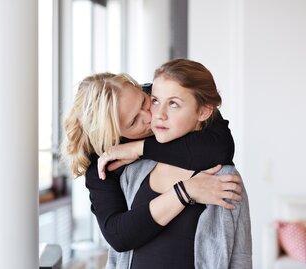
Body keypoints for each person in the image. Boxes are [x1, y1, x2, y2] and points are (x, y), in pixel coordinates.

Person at [61, 71, 242, 257]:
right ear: (115, 136)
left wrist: (139, 148)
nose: (150, 116)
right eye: (133, 122)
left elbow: (220, 149)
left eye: (144, 102)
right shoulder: (103, 160)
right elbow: (118, 235)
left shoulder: (168, 94)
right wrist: (184, 192)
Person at [98, 59, 252, 268]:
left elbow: (240, 257)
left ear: (203, 111)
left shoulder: (224, 178)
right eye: (155, 100)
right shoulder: (132, 171)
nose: (158, 114)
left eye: (173, 103)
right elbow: (117, 254)